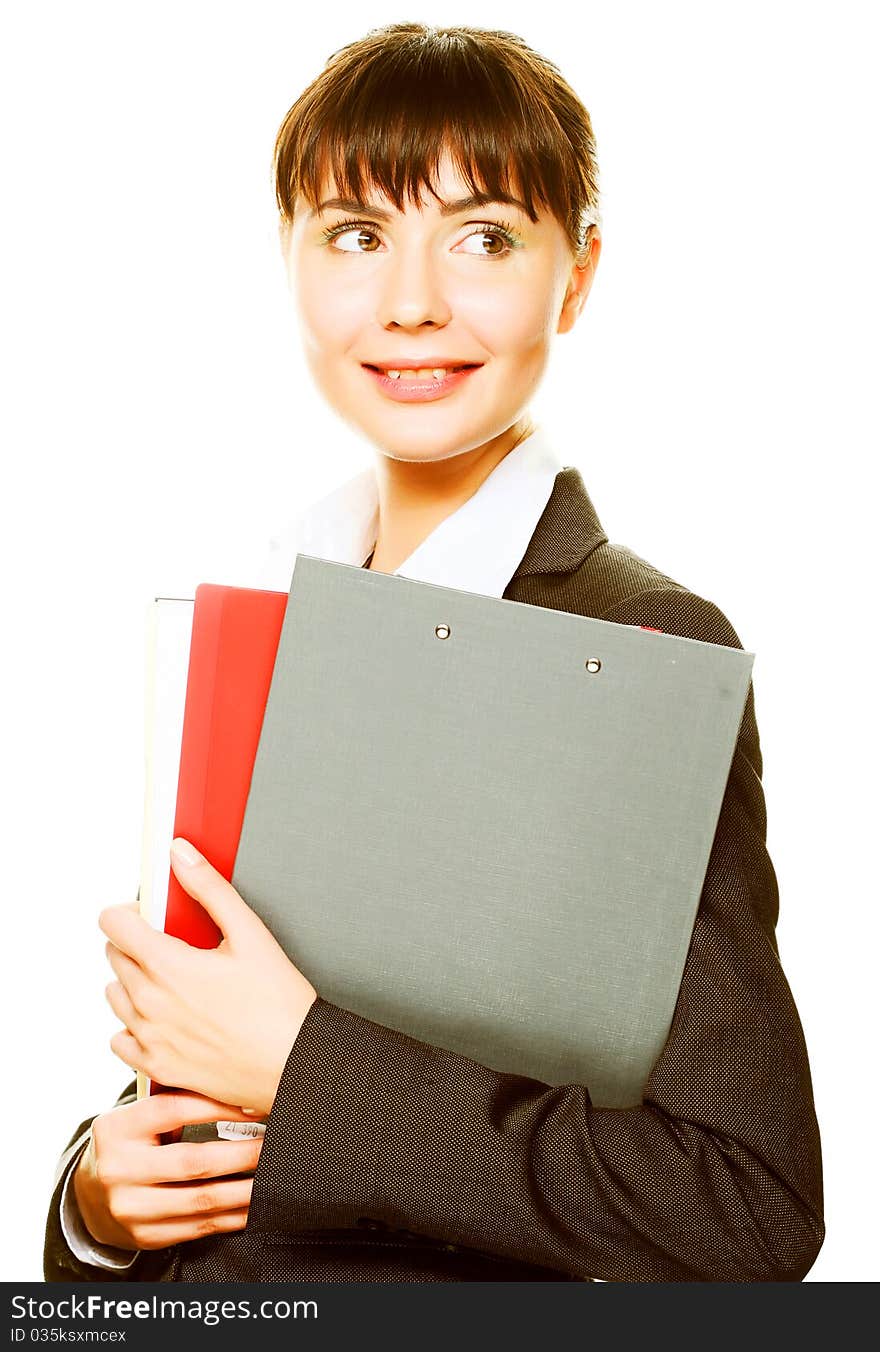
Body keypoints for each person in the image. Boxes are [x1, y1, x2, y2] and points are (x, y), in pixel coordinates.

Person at [44, 21, 824, 1283]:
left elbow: (746, 1207)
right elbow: (202, 1082)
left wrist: (306, 1069)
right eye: (356, 234)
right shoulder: (253, 609)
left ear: (576, 275)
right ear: (290, 265)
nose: (411, 300)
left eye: (484, 236)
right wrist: (102, 1198)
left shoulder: (636, 643)